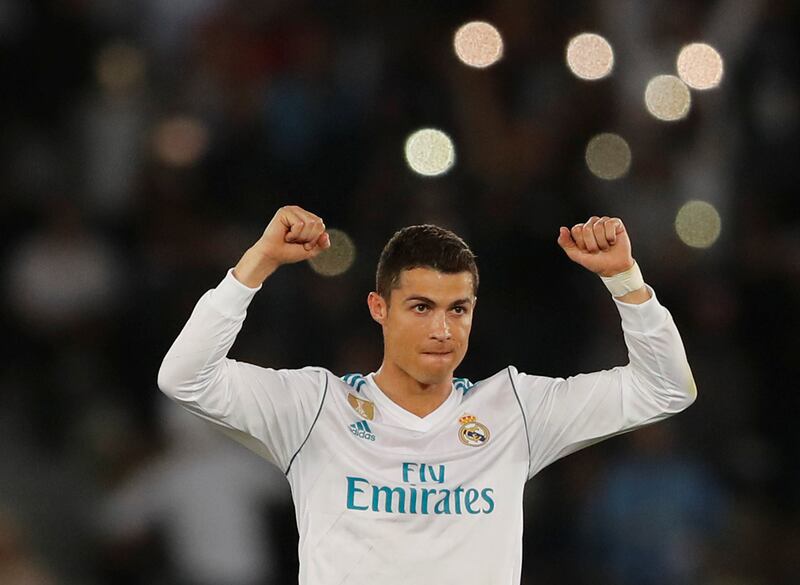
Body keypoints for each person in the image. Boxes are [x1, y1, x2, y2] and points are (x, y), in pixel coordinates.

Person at [158, 205, 696, 585]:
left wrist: (626, 280)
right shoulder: (314, 409)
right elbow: (185, 377)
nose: (442, 329)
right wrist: (256, 264)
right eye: (421, 307)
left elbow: (666, 388)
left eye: (457, 309)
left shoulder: (515, 411)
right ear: (378, 308)